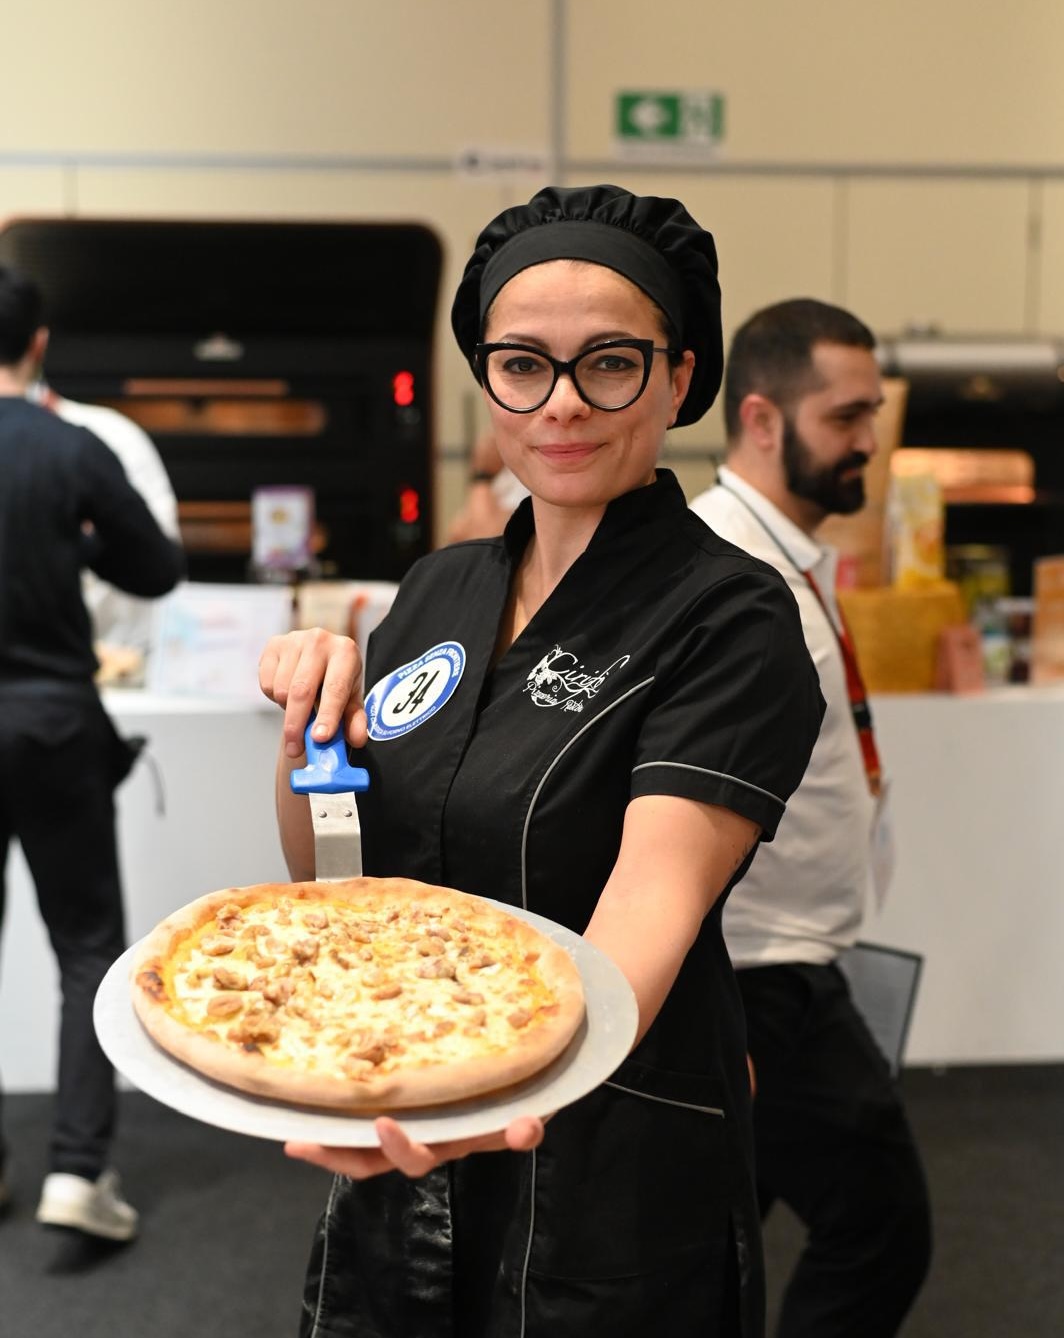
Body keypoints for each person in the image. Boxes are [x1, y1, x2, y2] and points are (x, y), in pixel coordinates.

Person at [258, 184, 825, 1338]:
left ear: (678, 376)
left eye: (608, 363)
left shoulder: (729, 615)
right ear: (486, 382)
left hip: (602, 1154)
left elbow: (650, 902)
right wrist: (306, 729)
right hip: (404, 1111)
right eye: (522, 365)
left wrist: (488, 1098)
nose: (561, 405)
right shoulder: (437, 591)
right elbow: (336, 885)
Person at [689, 298, 933, 1337]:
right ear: (758, 419)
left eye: (871, 413)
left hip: (781, 966)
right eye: (843, 418)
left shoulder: (782, 557)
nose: (868, 442)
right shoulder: (722, 573)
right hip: (754, 976)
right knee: (879, 1226)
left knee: (707, 1243)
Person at [0, 265, 185, 1237]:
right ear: (37, 347)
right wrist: (69, 544)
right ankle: (76, 1172)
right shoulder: (69, 446)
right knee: (83, 945)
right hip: (53, 719)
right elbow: (156, 568)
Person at [29, 378, 181, 660]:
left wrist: (80, 537)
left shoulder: (107, 436)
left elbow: (159, 556)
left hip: (125, 649)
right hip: (42, 659)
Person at [445, 427, 527, 542]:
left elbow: (481, 541)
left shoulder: (527, 477)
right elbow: (456, 535)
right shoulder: (503, 470)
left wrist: (482, 475)